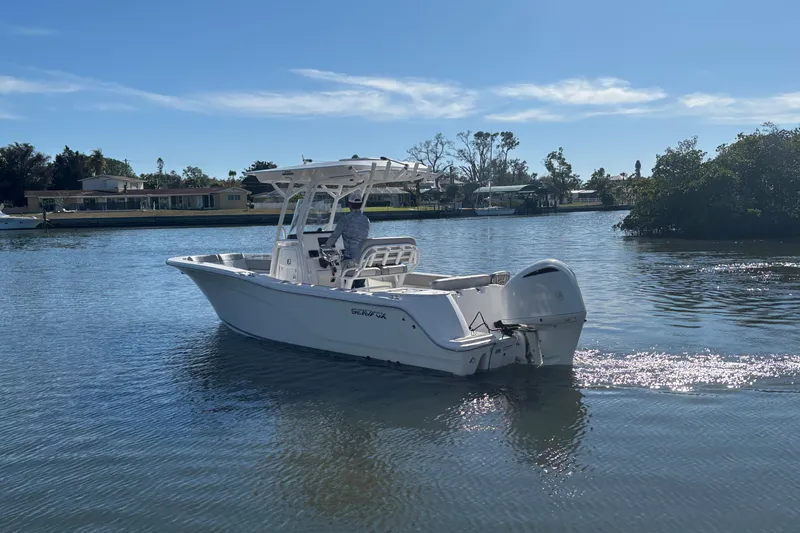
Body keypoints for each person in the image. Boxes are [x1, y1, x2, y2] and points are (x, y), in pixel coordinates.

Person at [324, 190, 370, 287]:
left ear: (350, 204)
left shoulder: (346, 220)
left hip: (350, 259)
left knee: (346, 279)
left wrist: (325, 247)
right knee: (359, 283)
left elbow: (334, 236)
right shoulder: (366, 220)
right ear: (361, 205)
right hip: (363, 258)